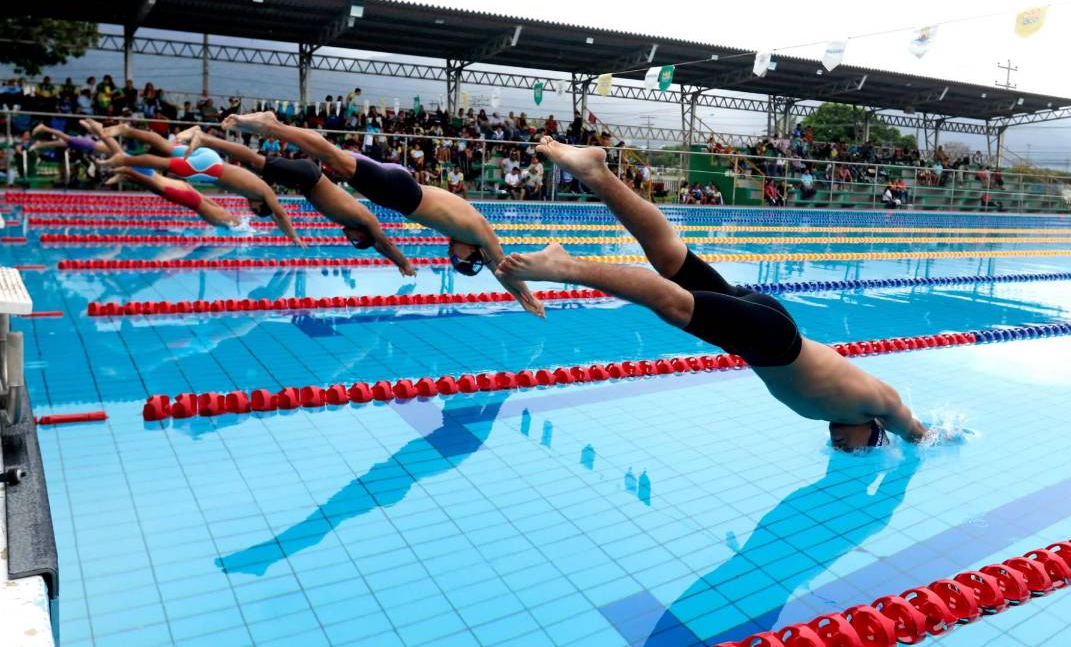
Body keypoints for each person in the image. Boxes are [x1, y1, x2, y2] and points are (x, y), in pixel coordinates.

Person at [497, 139, 927, 451]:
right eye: (853, 448)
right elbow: (913, 428)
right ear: (874, 432)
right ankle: (564, 265)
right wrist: (926, 439)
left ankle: (596, 173)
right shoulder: (877, 402)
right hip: (774, 339)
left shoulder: (841, 413)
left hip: (761, 334)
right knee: (673, 304)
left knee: (670, 260)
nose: (838, 447)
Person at [220, 110, 544, 316]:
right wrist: (526, 298)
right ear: (474, 254)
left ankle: (273, 125)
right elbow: (502, 267)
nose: (451, 255)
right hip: (401, 192)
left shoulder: (468, 234)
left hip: (400, 186)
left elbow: (495, 267)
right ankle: (271, 125)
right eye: (458, 260)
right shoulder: (479, 235)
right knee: (331, 155)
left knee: (334, 157)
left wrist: (521, 297)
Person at [177, 127, 416, 275]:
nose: (350, 239)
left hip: (305, 180)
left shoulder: (351, 221)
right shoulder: (366, 220)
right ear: (364, 236)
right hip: (309, 176)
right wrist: (402, 263)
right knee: (256, 161)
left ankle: (205, 141)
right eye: (355, 242)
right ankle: (205, 139)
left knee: (256, 163)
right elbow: (384, 243)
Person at [95, 122, 302, 245]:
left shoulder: (258, 189)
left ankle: (127, 130)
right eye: (256, 211)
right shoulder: (265, 193)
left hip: (210, 158)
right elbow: (280, 215)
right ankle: (123, 160)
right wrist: (295, 238)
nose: (251, 210)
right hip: (210, 168)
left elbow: (276, 217)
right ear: (260, 205)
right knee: (163, 163)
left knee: (165, 146)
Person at [81, 120, 241, 228]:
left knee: (121, 153)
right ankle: (100, 130)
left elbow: (139, 174)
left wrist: (126, 171)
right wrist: (125, 171)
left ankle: (101, 130)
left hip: (181, 190)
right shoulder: (150, 180)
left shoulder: (150, 180)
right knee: (121, 153)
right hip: (180, 189)